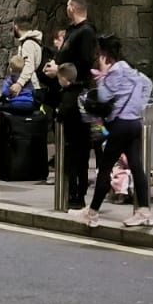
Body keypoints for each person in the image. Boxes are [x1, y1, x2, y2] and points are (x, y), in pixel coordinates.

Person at [76, 35, 152, 227]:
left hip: (119, 125)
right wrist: (138, 107)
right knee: (136, 167)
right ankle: (143, 211)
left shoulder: (115, 72)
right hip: (134, 122)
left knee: (105, 168)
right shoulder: (131, 70)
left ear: (105, 54)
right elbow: (148, 84)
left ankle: (92, 213)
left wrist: (102, 75)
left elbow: (102, 97)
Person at [54, 63, 92, 208]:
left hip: (73, 137)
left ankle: (73, 196)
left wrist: (58, 115)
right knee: (83, 167)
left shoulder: (68, 95)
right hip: (86, 136)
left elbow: (62, 114)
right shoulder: (84, 91)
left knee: (72, 167)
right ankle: (81, 196)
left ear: (64, 78)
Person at [42, 0, 98, 91]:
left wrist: (59, 70)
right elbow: (64, 52)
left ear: (72, 8)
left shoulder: (86, 31)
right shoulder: (71, 29)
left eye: (68, 5)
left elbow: (84, 63)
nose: (66, 8)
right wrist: (53, 63)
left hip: (76, 88)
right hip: (63, 84)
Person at [10, 16, 44, 102]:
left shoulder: (28, 44)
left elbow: (29, 66)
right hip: (31, 87)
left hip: (30, 88)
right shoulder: (32, 42)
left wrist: (19, 84)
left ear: (16, 26)